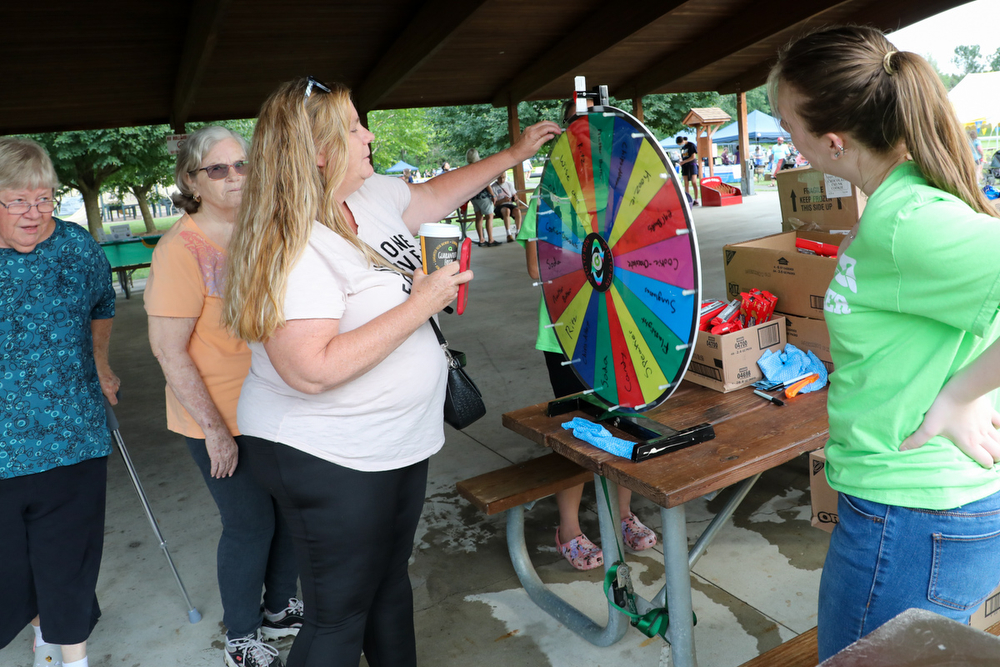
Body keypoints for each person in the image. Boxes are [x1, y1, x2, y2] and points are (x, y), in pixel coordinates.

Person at [223, 77, 561, 667]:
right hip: (327, 453)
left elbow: (433, 195)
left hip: (390, 443)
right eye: (352, 127)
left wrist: (512, 156)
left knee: (387, 586)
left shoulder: (368, 195)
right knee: (337, 616)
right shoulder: (294, 241)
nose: (368, 135)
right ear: (319, 150)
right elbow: (310, 369)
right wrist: (421, 304)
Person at [768, 26, 1000, 661]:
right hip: (915, 508)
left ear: (834, 142)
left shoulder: (907, 224)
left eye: (790, 127)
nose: (788, 140)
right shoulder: (897, 207)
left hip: (911, 511)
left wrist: (962, 393)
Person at [144, 126, 301, 667]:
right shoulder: (179, 250)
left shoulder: (263, 230)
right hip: (218, 415)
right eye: (218, 169)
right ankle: (241, 635)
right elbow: (168, 350)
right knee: (250, 523)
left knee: (291, 511)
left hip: (277, 403)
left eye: (242, 165)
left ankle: (279, 608)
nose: (235, 177)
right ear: (191, 179)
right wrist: (215, 431)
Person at [0, 137, 120, 667]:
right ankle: (40, 625)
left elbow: (102, 301)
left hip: (74, 434)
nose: (35, 213)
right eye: (18, 200)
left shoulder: (75, 247)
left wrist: (100, 362)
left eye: (44, 198)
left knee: (68, 561)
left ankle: (72, 657)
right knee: (12, 570)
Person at [516, 192, 657, 573]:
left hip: (619, 327)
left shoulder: (620, 198)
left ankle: (623, 515)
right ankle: (569, 529)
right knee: (579, 431)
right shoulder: (547, 202)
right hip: (568, 334)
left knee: (624, 423)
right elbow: (535, 267)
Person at [466, 149, 498, 247]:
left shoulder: (467, 169)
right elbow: (486, 182)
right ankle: (491, 239)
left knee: (478, 217)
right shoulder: (479, 166)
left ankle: (481, 239)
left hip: (474, 196)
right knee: (489, 216)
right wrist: (493, 194)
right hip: (483, 196)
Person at [491, 171, 521, 243]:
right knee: (506, 210)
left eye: (504, 177)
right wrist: (503, 200)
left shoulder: (509, 185)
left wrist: (515, 198)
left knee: (517, 210)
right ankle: (508, 234)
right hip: (500, 206)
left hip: (510, 204)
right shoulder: (493, 187)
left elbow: (515, 197)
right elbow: (494, 203)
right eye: (500, 178)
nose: (502, 180)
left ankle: (518, 232)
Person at [675, 135, 699, 205]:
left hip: (692, 165)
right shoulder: (683, 148)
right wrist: (681, 161)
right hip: (685, 166)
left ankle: (696, 199)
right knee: (686, 183)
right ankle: (688, 200)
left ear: (682, 141)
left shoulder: (691, 145)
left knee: (694, 182)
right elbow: (684, 157)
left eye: (680, 144)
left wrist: (684, 162)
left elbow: (693, 157)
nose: (680, 145)